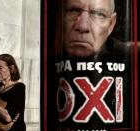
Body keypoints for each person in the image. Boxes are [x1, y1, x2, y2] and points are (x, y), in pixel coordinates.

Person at [49, 0, 134, 130]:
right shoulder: (45, 59)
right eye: (73, 11)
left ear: (111, 24)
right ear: (60, 16)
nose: (83, 26)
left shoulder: (129, 59)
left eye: (99, 14)